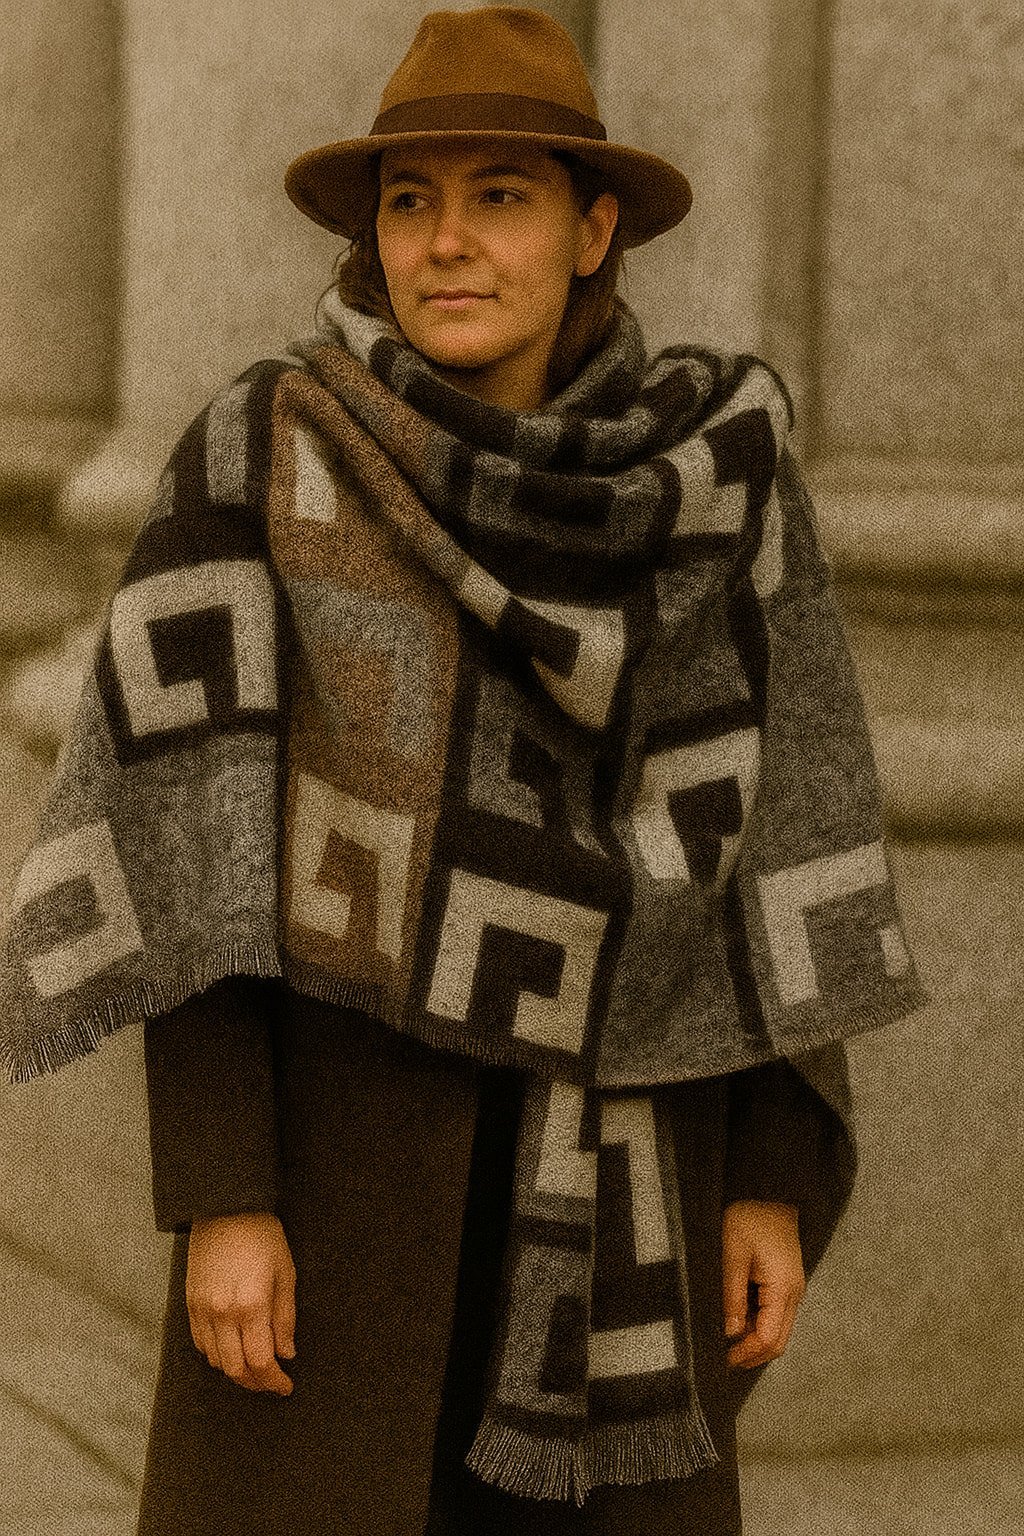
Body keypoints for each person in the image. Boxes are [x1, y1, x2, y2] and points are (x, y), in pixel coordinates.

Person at [0, 8, 924, 1534]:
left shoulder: (714, 480)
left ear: (593, 228)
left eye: (502, 195)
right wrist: (223, 1194)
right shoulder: (269, 457)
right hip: (343, 1175)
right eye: (411, 199)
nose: (446, 242)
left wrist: (771, 1166)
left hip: (636, 1165)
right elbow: (191, 857)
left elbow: (785, 821)